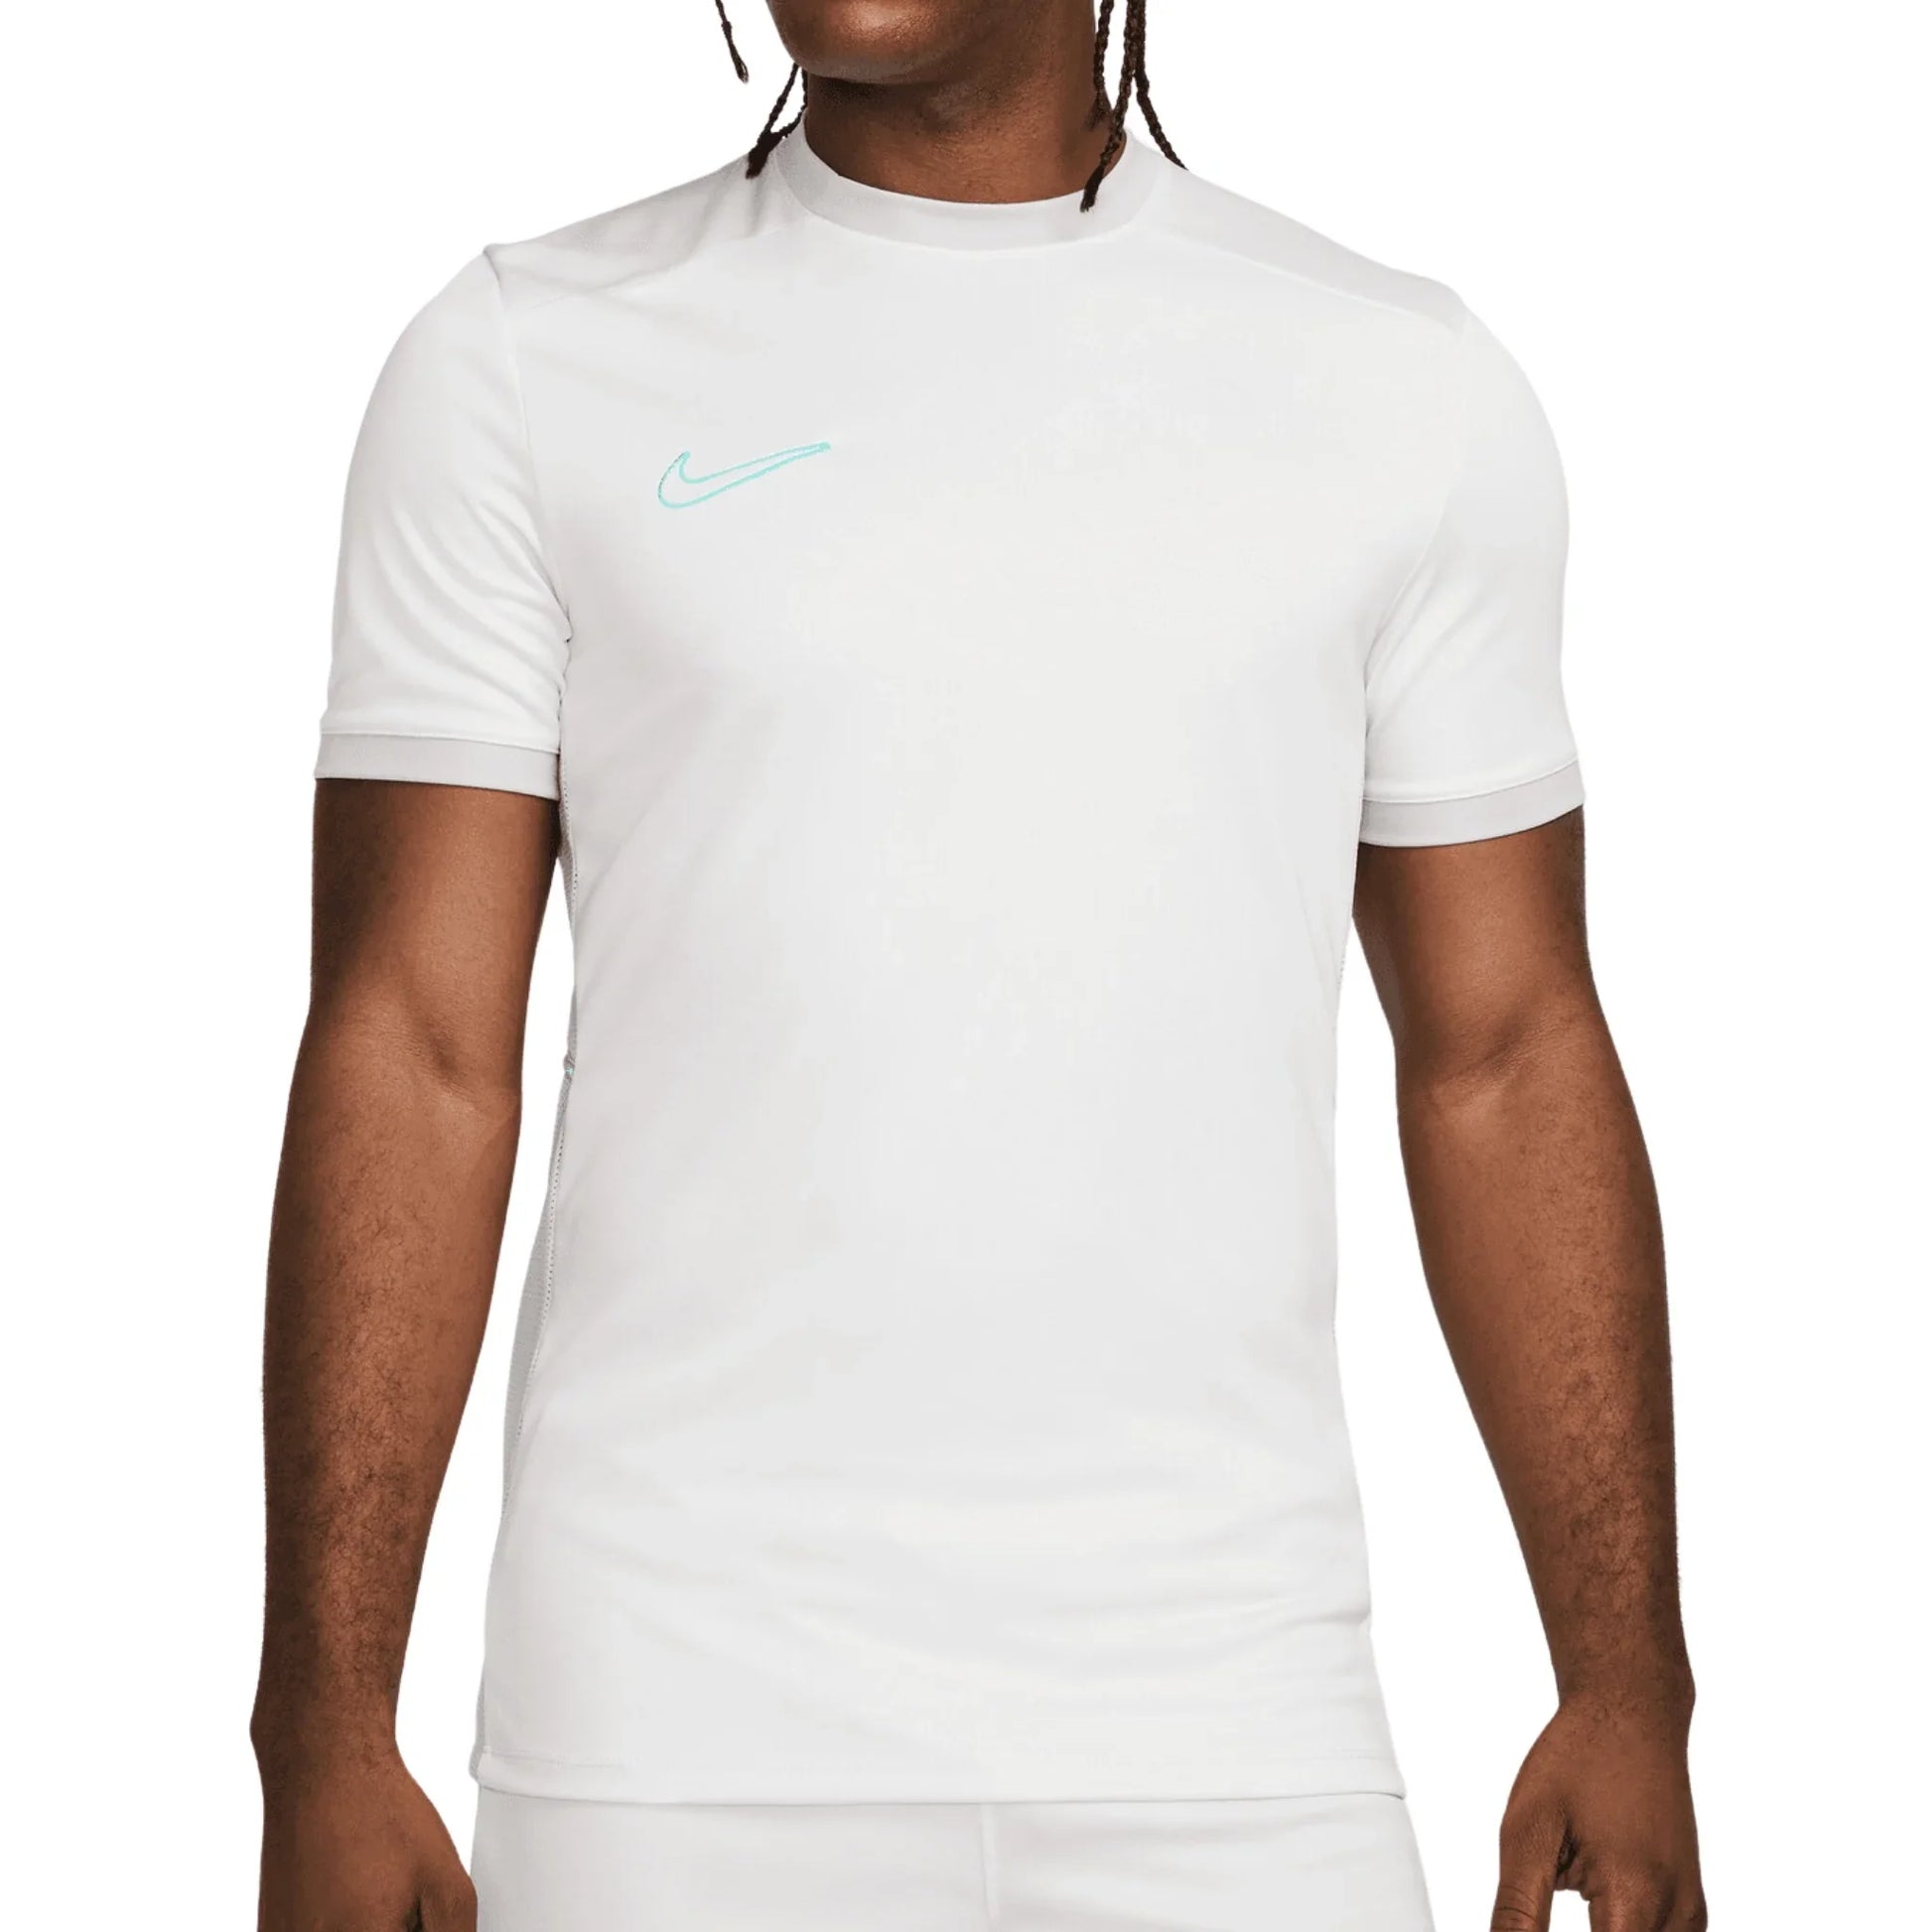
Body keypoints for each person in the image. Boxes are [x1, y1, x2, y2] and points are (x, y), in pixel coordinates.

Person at [251, 3, 1706, 1927]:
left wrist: (1625, 1677)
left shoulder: (1395, 384)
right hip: (670, 1738)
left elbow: (1504, 1049)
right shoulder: (526, 358)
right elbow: (416, 1045)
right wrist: (322, 1724)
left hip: (1230, 1734)